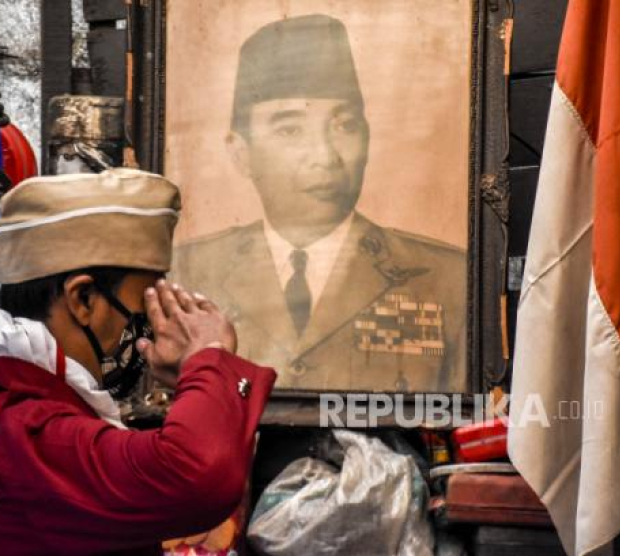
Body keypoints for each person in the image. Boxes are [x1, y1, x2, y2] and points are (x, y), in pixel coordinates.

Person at [0, 169, 276, 555]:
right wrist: (209, 356)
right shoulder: (27, 432)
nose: (152, 326)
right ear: (83, 300)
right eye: (144, 304)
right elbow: (197, 479)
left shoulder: (6, 407)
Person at [172, 14, 466, 393]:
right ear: (241, 152)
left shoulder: (446, 280)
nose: (325, 156)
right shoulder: (189, 276)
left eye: (343, 125)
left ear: (367, 136)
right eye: (290, 129)